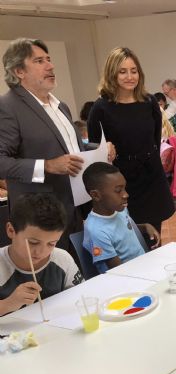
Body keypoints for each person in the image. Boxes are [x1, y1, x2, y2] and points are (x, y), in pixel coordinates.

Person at [0, 38, 114, 249]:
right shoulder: (7, 107)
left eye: (49, 59)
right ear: (19, 71)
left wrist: (99, 150)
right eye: (39, 61)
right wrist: (47, 165)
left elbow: (70, 149)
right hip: (39, 218)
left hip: (75, 208)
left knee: (77, 267)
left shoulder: (61, 106)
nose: (50, 66)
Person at [87, 47, 175, 234]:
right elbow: (95, 150)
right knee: (128, 236)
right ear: (112, 74)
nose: (130, 77)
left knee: (154, 236)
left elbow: (154, 139)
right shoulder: (101, 107)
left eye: (133, 71)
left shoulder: (149, 102)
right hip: (121, 181)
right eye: (123, 72)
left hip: (151, 177)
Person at [0, 193, 82, 317]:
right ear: (11, 230)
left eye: (51, 244)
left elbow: (81, 297)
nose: (41, 252)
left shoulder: (62, 259)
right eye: (33, 242)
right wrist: (8, 304)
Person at [82, 162, 159, 274]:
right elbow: (118, 271)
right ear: (96, 195)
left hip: (143, 266)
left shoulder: (119, 209)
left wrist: (144, 227)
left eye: (124, 188)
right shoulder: (96, 231)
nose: (126, 194)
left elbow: (123, 230)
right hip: (127, 276)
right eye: (118, 191)